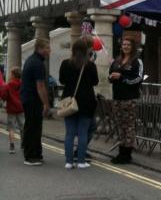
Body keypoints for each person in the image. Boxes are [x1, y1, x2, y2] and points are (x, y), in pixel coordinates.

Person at [58, 38, 99, 169]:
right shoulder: (90, 65)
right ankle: (81, 161)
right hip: (86, 101)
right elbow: (95, 82)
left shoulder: (65, 63)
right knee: (83, 132)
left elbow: (62, 80)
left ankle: (69, 161)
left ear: (73, 50)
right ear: (87, 50)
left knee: (69, 133)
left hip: (70, 101)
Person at [108, 37, 144, 164]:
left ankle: (126, 154)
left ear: (132, 47)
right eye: (124, 44)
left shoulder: (137, 61)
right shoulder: (116, 61)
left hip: (130, 99)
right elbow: (110, 76)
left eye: (128, 44)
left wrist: (122, 77)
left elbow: (139, 78)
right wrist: (111, 77)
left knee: (128, 126)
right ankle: (121, 151)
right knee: (120, 125)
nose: (126, 46)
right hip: (117, 97)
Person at [20, 37, 51, 166]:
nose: (50, 50)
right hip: (33, 99)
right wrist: (46, 103)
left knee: (30, 127)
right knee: (34, 128)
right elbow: (40, 86)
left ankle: (34, 154)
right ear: (40, 49)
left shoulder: (30, 60)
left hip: (27, 98)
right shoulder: (38, 64)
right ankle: (31, 156)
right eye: (47, 48)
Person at [0, 67, 25, 154]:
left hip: (11, 108)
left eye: (11, 73)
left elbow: (3, 96)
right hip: (21, 108)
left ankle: (12, 146)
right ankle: (23, 144)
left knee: (11, 128)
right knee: (23, 127)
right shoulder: (23, 84)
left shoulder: (9, 85)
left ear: (13, 75)